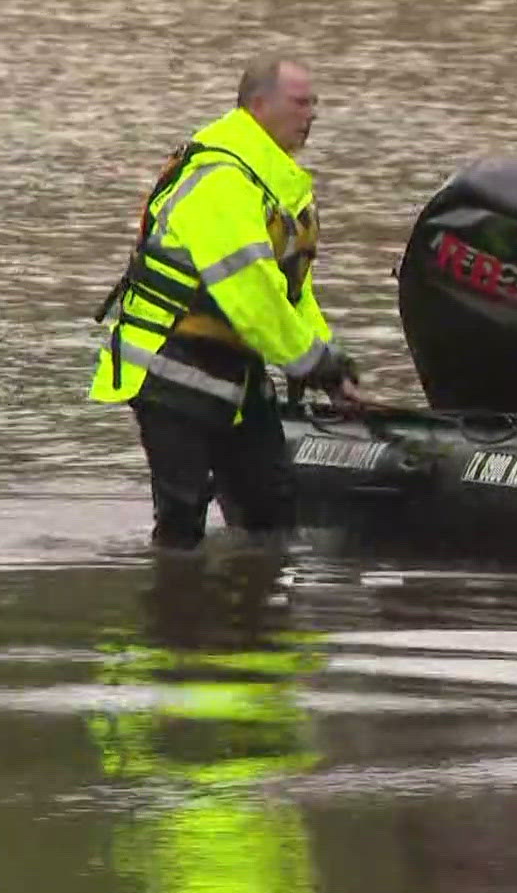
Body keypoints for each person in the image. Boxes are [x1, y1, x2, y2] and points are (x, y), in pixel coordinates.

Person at [90, 57, 357, 549]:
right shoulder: (222, 178)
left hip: (237, 371)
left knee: (271, 511)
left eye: (314, 102)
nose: (312, 113)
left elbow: (291, 292)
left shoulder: (276, 182)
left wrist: (326, 357)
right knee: (182, 515)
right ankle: (176, 613)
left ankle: (255, 612)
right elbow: (249, 290)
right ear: (258, 107)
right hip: (171, 364)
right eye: (301, 103)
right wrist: (307, 359)